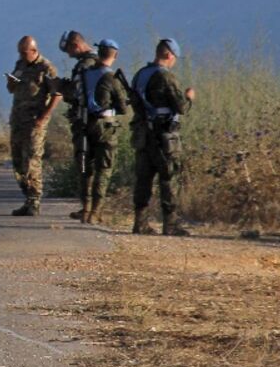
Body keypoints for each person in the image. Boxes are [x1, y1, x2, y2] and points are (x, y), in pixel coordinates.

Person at [130, 38, 197, 236]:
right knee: (169, 177)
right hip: (164, 136)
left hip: (143, 134)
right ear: (169, 55)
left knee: (144, 178)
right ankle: (170, 223)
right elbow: (181, 107)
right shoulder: (166, 77)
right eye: (174, 57)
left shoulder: (140, 75)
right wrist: (189, 97)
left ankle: (139, 222)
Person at [7, 36, 63, 216]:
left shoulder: (46, 68)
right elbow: (12, 90)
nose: (22, 56)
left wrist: (44, 116)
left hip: (34, 122)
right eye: (20, 53)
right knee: (18, 162)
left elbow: (58, 94)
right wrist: (11, 83)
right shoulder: (20, 65)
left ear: (34, 50)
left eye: (25, 53)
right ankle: (27, 196)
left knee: (32, 160)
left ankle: (34, 200)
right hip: (18, 119)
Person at [79, 39, 130, 224]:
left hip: (86, 124)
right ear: (115, 55)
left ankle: (85, 208)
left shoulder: (85, 73)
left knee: (87, 169)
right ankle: (96, 211)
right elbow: (123, 108)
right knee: (104, 169)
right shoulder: (111, 78)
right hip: (106, 126)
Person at [59, 30, 100, 219]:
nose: (68, 55)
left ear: (76, 45)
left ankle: (88, 208)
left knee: (84, 164)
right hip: (92, 122)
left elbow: (77, 93)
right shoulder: (95, 62)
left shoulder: (85, 65)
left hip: (85, 122)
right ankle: (90, 208)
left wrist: (58, 87)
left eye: (69, 50)